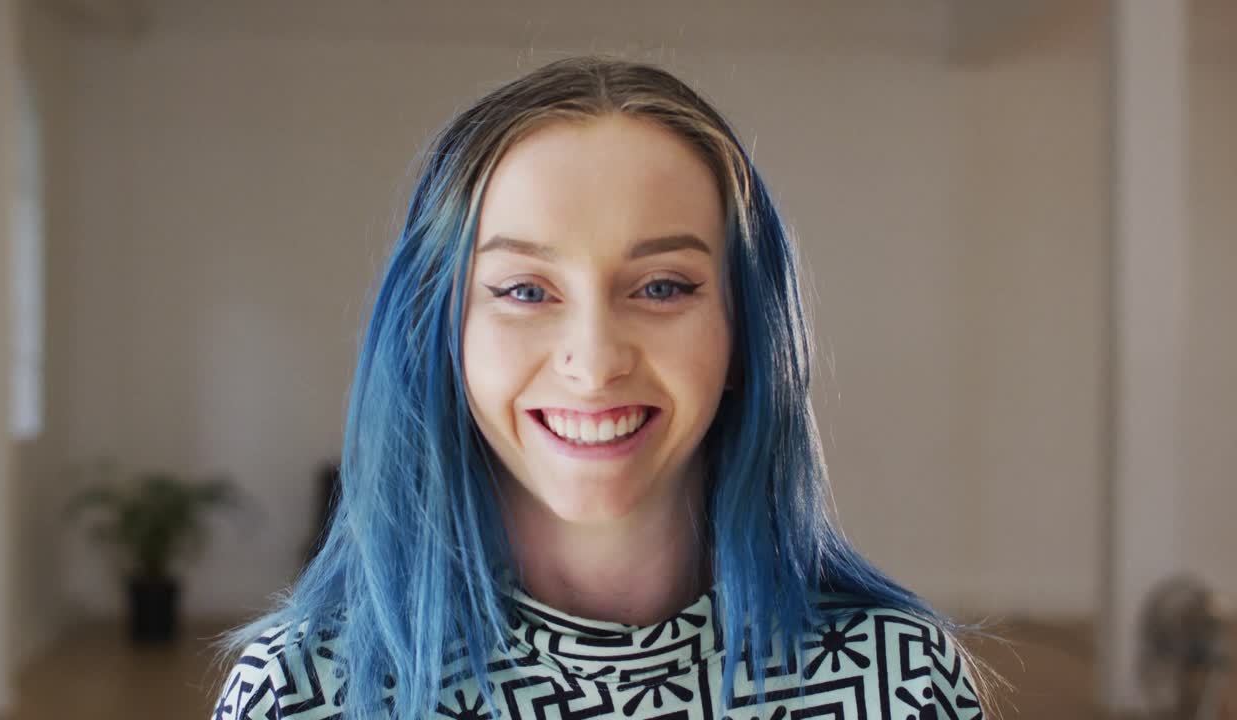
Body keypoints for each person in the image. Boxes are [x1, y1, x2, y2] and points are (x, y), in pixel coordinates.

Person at [212, 56, 990, 720]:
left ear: (744, 330)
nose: (594, 359)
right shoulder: (302, 693)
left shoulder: (901, 686)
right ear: (437, 334)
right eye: (524, 290)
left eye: (661, 288)